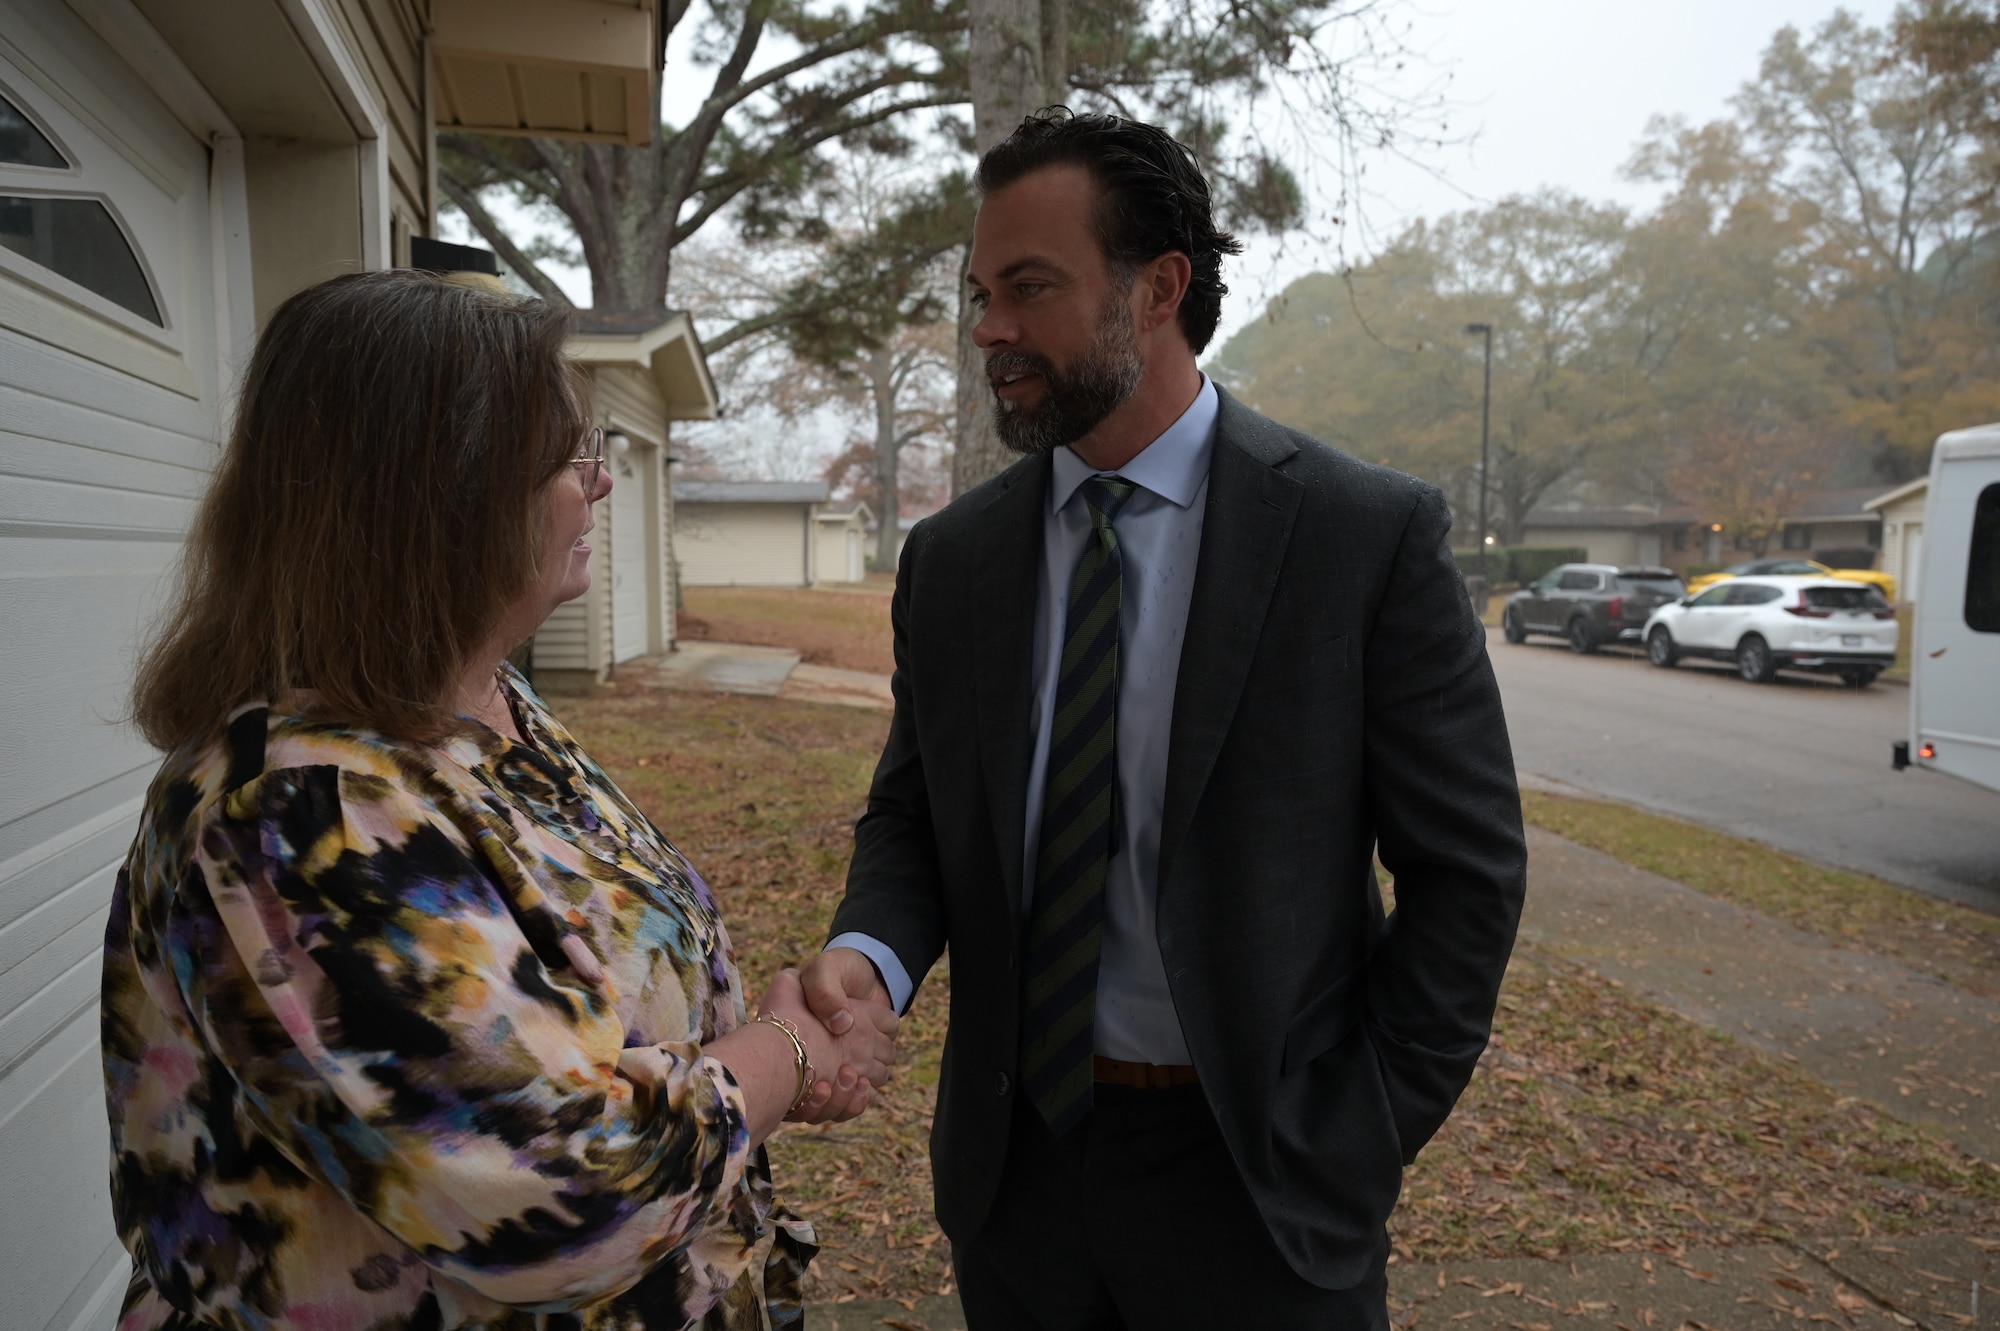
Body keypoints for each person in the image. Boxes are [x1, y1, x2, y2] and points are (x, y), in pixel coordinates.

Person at [801, 110, 1528, 1328]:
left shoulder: (1360, 537)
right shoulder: (953, 560)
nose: (988, 328)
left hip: (1262, 1187)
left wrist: (1359, 1131)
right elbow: (915, 816)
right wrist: (869, 956)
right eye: (980, 290)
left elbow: (1466, 873)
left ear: (1159, 288)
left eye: (1028, 287)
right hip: (1016, 1179)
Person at [102, 270, 896, 1331]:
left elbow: (585, 1004)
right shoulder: (291, 812)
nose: (600, 485)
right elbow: (566, 1196)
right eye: (571, 457)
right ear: (442, 497)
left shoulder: (485, 705)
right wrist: (782, 1055)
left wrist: (740, 1056)